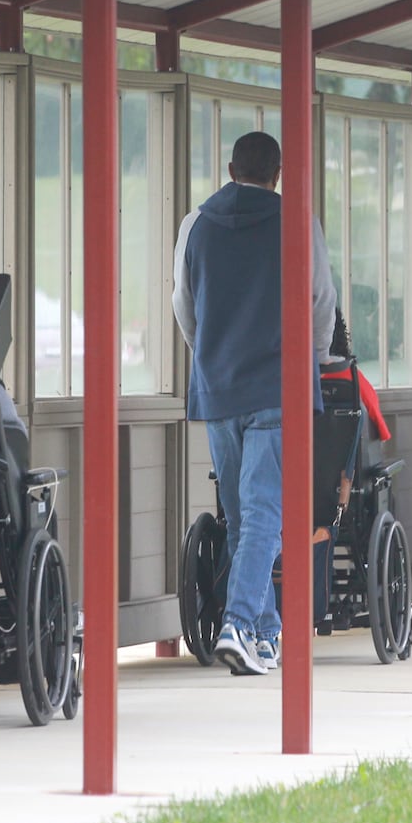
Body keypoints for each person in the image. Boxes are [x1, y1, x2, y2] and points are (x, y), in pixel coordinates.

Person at [173, 132, 337, 675]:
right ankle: (239, 624)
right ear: (279, 172)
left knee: (245, 516)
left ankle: (266, 635)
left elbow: (184, 305)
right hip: (278, 385)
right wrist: (312, 359)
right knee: (265, 511)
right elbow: (322, 301)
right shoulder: (299, 222)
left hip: (218, 387)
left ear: (230, 168)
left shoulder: (193, 225)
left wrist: (210, 356)